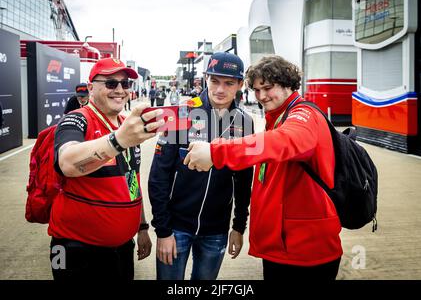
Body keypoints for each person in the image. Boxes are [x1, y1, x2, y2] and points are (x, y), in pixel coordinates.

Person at [184, 55, 342, 280]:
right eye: (257, 90)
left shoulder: (303, 115)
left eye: (268, 88)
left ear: (288, 84)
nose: (261, 96)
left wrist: (216, 152)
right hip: (284, 246)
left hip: (304, 249)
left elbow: (282, 142)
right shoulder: (279, 116)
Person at [50, 57, 165, 281]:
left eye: (125, 84)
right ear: (91, 88)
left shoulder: (126, 124)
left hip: (122, 247)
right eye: (111, 83)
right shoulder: (76, 119)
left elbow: (132, 178)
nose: (120, 90)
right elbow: (67, 162)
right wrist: (117, 141)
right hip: (73, 248)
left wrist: (142, 226)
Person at [148, 52, 254, 280]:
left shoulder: (246, 122)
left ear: (240, 84)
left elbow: (244, 179)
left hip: (216, 231)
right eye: (214, 81)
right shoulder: (179, 112)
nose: (220, 89)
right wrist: (163, 231)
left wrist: (238, 226)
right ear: (205, 78)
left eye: (229, 83)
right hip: (175, 228)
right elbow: (158, 176)